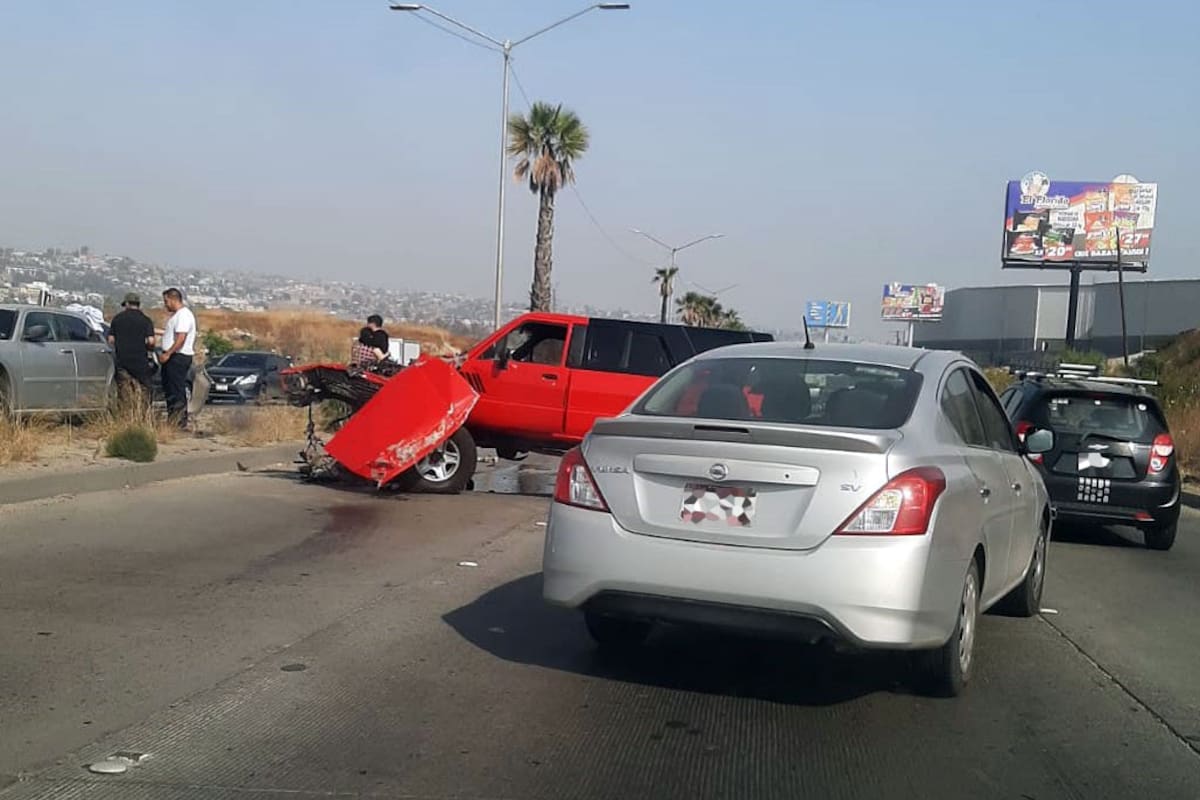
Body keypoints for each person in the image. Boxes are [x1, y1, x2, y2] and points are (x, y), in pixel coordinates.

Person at [107, 292, 156, 407]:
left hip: (122, 360)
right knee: (145, 389)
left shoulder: (117, 319)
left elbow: (111, 340)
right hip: (140, 361)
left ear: (127, 304)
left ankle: (125, 415)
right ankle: (143, 414)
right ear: (138, 304)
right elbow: (151, 341)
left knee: (124, 390)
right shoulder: (145, 320)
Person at [158, 287, 197, 428]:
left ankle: (179, 422)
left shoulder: (183, 315)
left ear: (173, 299)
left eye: (166, 301)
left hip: (177, 357)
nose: (165, 304)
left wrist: (168, 353)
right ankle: (173, 419)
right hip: (173, 356)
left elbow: (181, 338)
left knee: (176, 389)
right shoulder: (177, 316)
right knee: (170, 388)